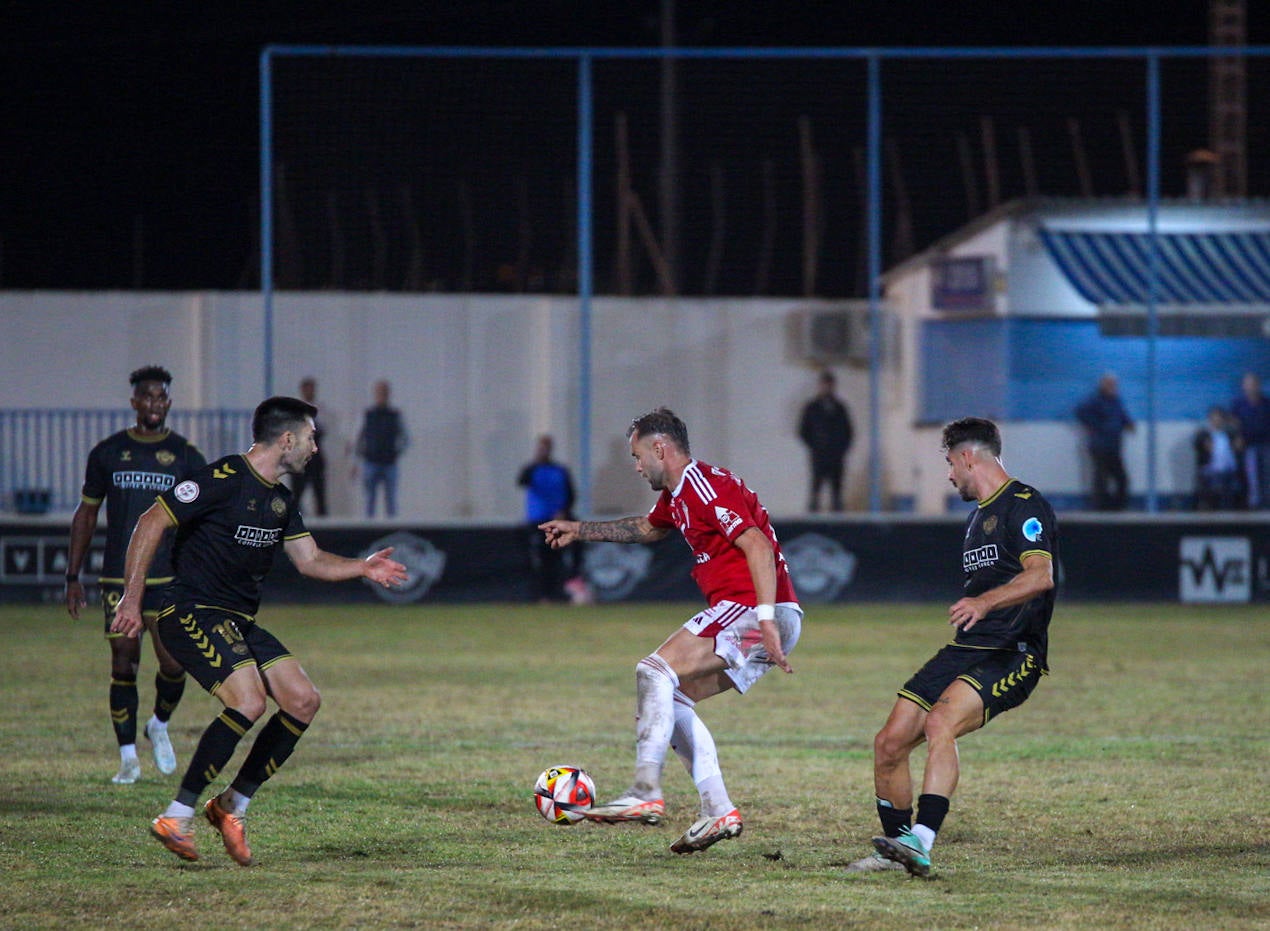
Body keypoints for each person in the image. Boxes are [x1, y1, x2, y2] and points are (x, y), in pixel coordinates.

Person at [111, 396, 407, 865]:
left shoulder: (281, 501)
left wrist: (363, 568)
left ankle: (232, 805)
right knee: (248, 701)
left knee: (303, 700)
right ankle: (176, 814)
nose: (314, 447)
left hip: (237, 621)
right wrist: (132, 597)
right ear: (287, 439)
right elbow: (151, 521)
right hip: (191, 612)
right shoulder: (222, 479)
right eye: (311, 438)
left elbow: (309, 560)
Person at [539, 407, 800, 855]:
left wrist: (765, 618)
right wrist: (579, 529)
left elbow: (755, 543)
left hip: (750, 609)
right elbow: (646, 527)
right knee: (670, 697)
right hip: (758, 612)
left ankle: (644, 792)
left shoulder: (704, 485)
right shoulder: (679, 496)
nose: (637, 466)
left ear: (660, 448)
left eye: (639, 456)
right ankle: (717, 809)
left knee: (653, 671)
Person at [847, 417, 1058, 876]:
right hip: (967, 649)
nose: (948, 474)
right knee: (889, 743)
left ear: (967, 458)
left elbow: (1041, 575)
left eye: (948, 462)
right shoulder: (977, 517)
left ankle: (922, 841)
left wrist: (985, 601)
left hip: (1013, 651)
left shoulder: (1025, 504)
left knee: (940, 720)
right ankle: (898, 849)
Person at [64, 365, 207, 785]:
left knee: (175, 663)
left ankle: (158, 724)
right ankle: (127, 758)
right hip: (118, 580)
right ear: (134, 402)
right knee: (124, 662)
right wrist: (73, 575)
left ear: (167, 402)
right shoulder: (108, 452)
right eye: (146, 397)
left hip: (167, 578)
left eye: (160, 397)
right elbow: (87, 513)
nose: (153, 404)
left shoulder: (184, 455)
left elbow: (201, 517)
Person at [517, 434, 577, 602]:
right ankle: (541, 595)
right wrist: (535, 462)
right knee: (539, 559)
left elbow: (571, 494)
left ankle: (557, 593)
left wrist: (563, 511)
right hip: (537, 521)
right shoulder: (532, 469)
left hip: (556, 521)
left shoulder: (560, 470)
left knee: (556, 558)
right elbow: (522, 481)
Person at [1075, 372, 1133, 510]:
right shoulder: (1095, 400)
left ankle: (1117, 507)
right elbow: (1081, 412)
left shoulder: (1116, 401)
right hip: (1100, 444)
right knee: (1101, 478)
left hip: (1114, 445)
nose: (1112, 386)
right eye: (1109, 384)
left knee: (1121, 478)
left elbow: (1121, 416)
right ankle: (1101, 507)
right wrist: (1097, 426)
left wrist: (1128, 424)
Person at [798, 370, 854, 512]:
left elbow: (848, 431)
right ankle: (813, 512)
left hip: (836, 455)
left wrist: (841, 448)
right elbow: (804, 431)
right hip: (819, 454)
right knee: (816, 486)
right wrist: (815, 445)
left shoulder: (840, 408)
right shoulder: (812, 408)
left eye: (829, 384)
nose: (827, 388)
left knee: (836, 488)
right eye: (825, 384)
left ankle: (837, 514)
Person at [355, 379, 408, 517]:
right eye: (379, 392)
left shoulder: (395, 415)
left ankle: (392, 530)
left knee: (391, 501)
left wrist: (396, 452)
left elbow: (406, 438)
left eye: (384, 392)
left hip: (390, 463)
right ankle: (367, 532)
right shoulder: (367, 414)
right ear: (375, 393)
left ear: (389, 393)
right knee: (369, 501)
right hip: (370, 462)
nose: (382, 394)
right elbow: (357, 439)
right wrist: (356, 461)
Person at [1230, 372, 1270, 509]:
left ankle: (1267, 503)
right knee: (1251, 475)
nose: (1250, 387)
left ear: (1258, 385)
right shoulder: (1238, 404)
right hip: (1248, 445)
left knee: (1267, 475)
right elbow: (1234, 422)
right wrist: (1237, 437)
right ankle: (1254, 503)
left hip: (1266, 443)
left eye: (1253, 384)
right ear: (1243, 386)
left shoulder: (1266, 402)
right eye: (1247, 384)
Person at [289, 376, 327, 516]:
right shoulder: (295, 411)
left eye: (312, 389)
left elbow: (324, 429)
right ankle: (293, 521)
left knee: (319, 492)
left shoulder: (320, 410)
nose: (310, 392)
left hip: (315, 455)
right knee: (297, 492)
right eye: (307, 389)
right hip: (300, 456)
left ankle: (324, 522)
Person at [1194, 405, 1244, 511]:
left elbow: (1238, 446)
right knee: (1215, 485)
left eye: (1219, 418)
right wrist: (1205, 445)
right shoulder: (1204, 434)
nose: (1217, 421)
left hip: (1229, 472)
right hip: (1211, 472)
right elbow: (1198, 447)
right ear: (1210, 419)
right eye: (1214, 418)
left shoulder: (1229, 434)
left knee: (1233, 487)